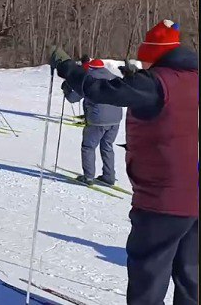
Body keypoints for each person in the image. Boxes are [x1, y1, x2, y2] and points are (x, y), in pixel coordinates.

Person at [51, 19, 198, 305]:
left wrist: (66, 67)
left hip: (164, 200)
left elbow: (99, 90)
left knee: (149, 275)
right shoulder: (189, 78)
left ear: (154, 55)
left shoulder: (157, 83)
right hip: (193, 197)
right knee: (190, 275)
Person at [61, 59, 123, 185]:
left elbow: (73, 98)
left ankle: (88, 177)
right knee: (107, 147)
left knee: (88, 147)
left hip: (98, 119)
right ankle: (109, 177)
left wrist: (67, 90)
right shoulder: (114, 77)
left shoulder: (88, 80)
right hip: (115, 119)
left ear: (90, 68)